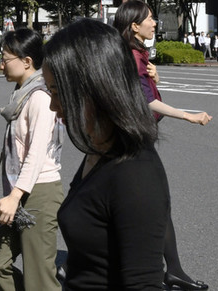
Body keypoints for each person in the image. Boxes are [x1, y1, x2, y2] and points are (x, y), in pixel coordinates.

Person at [42, 19, 169, 290]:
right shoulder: (99, 149)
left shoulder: (135, 171)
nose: (52, 105)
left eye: (57, 92)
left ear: (94, 88)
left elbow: (144, 283)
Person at [113, 1, 210, 291]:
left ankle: (173, 269)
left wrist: (155, 79)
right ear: (134, 26)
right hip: (133, 142)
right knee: (148, 204)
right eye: (150, 18)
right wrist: (188, 115)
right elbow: (146, 102)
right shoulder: (132, 56)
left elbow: (144, 95)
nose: (154, 23)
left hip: (133, 139)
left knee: (147, 204)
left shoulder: (133, 53)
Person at [0, 27, 63, 291]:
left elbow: (37, 154)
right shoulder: (21, 94)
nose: (1, 65)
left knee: (38, 277)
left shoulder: (40, 97)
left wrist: (15, 195)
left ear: (27, 61)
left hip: (39, 192)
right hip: (18, 189)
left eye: (5, 59)